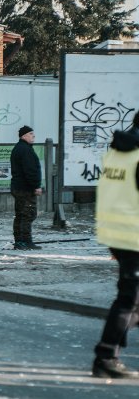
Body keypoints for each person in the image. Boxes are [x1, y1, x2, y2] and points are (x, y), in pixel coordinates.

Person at [92, 113, 139, 379]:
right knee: (129, 300)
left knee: (133, 301)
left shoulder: (117, 154)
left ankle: (109, 352)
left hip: (116, 236)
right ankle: (106, 356)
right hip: (134, 238)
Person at [10, 125, 42, 250]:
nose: (33, 136)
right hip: (25, 189)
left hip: (18, 187)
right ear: (24, 136)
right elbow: (30, 170)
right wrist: (36, 186)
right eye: (30, 134)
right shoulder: (25, 150)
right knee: (27, 215)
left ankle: (19, 241)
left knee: (20, 215)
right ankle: (26, 241)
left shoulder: (19, 148)